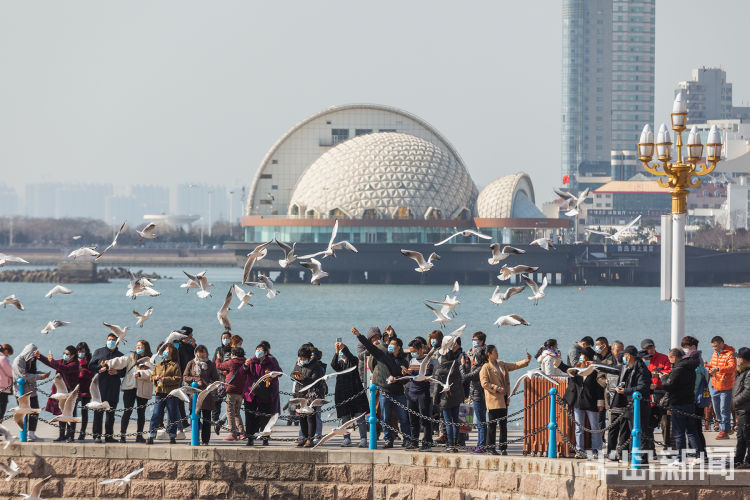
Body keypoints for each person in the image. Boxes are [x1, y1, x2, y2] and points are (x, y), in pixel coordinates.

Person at [352, 327, 411, 449]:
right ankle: (388, 440)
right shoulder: (382, 354)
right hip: (385, 391)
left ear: (398, 347)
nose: (389, 345)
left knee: (403, 418)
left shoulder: (403, 359)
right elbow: (369, 346)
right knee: (386, 418)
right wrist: (359, 335)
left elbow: (406, 378)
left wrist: (402, 375)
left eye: (393, 344)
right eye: (389, 343)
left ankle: (407, 440)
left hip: (399, 393)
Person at [479, 345, 531, 455]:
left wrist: (526, 361)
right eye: (495, 351)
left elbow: (515, 365)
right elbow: (484, 384)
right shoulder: (485, 367)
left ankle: (503, 448)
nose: (497, 353)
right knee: (492, 425)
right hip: (493, 399)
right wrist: (497, 388)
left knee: (503, 425)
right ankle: (490, 448)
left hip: (504, 399)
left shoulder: (501, 364)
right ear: (489, 354)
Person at [659, 348, 704, 463]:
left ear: (674, 357)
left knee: (678, 433)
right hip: (689, 403)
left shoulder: (678, 369)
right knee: (692, 431)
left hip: (678, 404)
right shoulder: (691, 368)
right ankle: (700, 455)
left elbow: (669, 386)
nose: (669, 361)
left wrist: (663, 378)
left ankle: (680, 458)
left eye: (670, 358)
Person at [104, 340, 153, 443]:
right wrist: (109, 362)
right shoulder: (131, 355)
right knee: (127, 411)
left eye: (140, 346)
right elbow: (121, 361)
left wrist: (140, 373)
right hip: (130, 386)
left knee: (141, 412)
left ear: (146, 347)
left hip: (143, 387)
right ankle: (123, 436)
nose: (138, 348)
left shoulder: (150, 359)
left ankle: (139, 436)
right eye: (137, 346)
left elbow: (151, 372)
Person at [612, 346, 652, 463]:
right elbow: (614, 369)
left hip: (640, 405)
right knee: (630, 432)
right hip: (629, 405)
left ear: (628, 356)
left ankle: (642, 458)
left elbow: (643, 387)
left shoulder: (641, 369)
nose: (624, 358)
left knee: (640, 432)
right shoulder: (629, 368)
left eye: (625, 356)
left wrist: (626, 391)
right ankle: (631, 455)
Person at [564, 347, 604, 458]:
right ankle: (579, 450)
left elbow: (599, 387)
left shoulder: (595, 370)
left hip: (592, 402)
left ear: (587, 357)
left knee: (594, 427)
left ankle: (597, 449)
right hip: (579, 402)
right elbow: (566, 369)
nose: (580, 356)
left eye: (582, 355)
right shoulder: (577, 369)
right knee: (578, 428)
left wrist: (600, 402)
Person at [37, 345, 79, 442]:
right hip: (60, 392)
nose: (65, 355)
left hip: (70, 394)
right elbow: (51, 363)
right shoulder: (61, 362)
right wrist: (40, 356)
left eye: (67, 354)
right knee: (60, 414)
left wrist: (52, 361)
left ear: (73, 355)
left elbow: (64, 368)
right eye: (64, 353)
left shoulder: (75, 364)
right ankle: (61, 435)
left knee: (70, 415)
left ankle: (70, 436)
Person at [331, 339, 369, 448]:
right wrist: (337, 352)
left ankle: (363, 439)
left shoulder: (354, 361)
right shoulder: (339, 364)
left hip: (356, 393)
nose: (343, 354)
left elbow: (352, 358)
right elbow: (333, 364)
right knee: (345, 418)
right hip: (342, 394)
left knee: (359, 417)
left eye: (344, 352)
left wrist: (344, 348)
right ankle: (347, 439)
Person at [243, 343, 282, 446]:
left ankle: (265, 438)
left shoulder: (271, 361)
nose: (258, 352)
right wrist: (245, 366)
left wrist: (272, 375)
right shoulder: (251, 361)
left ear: (265, 353)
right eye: (257, 349)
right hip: (251, 393)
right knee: (249, 416)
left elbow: (279, 373)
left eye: (261, 350)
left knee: (265, 416)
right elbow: (243, 373)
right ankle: (250, 438)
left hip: (265, 393)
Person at [90, 333, 125, 443]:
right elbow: (90, 365)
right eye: (109, 339)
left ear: (117, 342)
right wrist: (99, 368)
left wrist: (117, 372)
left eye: (113, 340)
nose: (111, 341)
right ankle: (97, 435)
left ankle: (109, 436)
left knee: (111, 414)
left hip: (114, 387)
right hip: (100, 387)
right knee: (98, 413)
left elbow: (124, 371)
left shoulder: (121, 355)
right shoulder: (99, 352)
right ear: (106, 340)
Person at [183, 344, 220, 446]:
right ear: (196, 353)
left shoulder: (210, 364)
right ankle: (194, 439)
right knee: (194, 418)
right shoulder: (191, 363)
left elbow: (216, 378)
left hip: (206, 394)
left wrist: (210, 385)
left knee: (207, 419)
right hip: (194, 394)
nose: (202, 354)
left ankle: (205, 440)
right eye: (199, 352)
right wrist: (195, 379)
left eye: (204, 352)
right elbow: (185, 377)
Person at [12, 343, 50, 441]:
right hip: (21, 392)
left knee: (35, 411)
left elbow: (33, 373)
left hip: (32, 391)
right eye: (33, 355)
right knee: (24, 413)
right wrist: (40, 377)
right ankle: (24, 434)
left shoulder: (31, 361)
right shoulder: (18, 361)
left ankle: (32, 433)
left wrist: (43, 374)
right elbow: (24, 376)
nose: (34, 357)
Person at [291, 345, 326, 448]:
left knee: (311, 417)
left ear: (308, 357)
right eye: (300, 358)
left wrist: (303, 378)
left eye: (303, 358)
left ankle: (310, 439)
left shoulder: (316, 366)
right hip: (300, 393)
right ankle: (304, 438)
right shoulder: (298, 364)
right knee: (302, 417)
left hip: (311, 394)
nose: (301, 360)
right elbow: (292, 374)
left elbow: (316, 381)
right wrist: (296, 376)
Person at [147, 344, 182, 444]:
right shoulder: (158, 365)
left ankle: (172, 435)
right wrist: (155, 378)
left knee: (172, 414)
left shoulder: (175, 365)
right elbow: (151, 377)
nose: (165, 352)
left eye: (167, 351)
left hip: (171, 394)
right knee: (156, 413)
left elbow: (177, 379)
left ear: (172, 353)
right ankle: (151, 435)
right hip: (159, 393)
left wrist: (164, 380)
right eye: (164, 351)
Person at [407, 338, 437, 451]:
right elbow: (411, 375)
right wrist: (406, 372)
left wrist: (413, 372)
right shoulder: (412, 361)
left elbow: (427, 375)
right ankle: (414, 441)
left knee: (425, 420)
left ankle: (427, 442)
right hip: (412, 393)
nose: (412, 353)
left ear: (420, 349)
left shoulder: (428, 361)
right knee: (413, 420)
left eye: (414, 351)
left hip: (423, 393)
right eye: (410, 351)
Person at [641, 338, 671, 449]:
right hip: (648, 395)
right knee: (648, 424)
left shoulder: (664, 358)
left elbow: (669, 372)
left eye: (651, 347)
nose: (650, 350)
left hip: (662, 393)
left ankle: (667, 446)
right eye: (647, 348)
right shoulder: (641, 361)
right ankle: (650, 448)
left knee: (665, 423)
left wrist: (658, 375)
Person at [435, 340, 465, 452]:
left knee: (448, 422)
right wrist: (462, 396)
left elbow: (437, 387)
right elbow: (461, 383)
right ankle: (456, 443)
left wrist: (436, 400)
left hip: (445, 398)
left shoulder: (440, 369)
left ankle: (450, 444)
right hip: (456, 398)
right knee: (456, 421)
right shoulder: (456, 367)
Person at [681, 336, 709, 453]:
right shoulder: (700, 363)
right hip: (699, 399)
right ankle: (700, 452)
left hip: (692, 400)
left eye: (686, 348)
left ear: (692, 347)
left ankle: (698, 453)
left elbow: (693, 384)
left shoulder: (695, 365)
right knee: (696, 428)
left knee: (693, 429)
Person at [707, 336, 737, 439]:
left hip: (727, 385)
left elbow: (732, 367)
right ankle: (725, 428)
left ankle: (724, 430)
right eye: (713, 347)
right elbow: (712, 364)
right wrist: (708, 367)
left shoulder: (731, 353)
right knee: (716, 409)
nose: (714, 348)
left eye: (716, 346)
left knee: (724, 409)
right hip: (715, 384)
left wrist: (718, 369)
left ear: (722, 343)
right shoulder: (715, 353)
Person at [216, 346, 247, 441]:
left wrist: (218, 358)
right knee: (237, 413)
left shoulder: (232, 362)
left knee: (230, 412)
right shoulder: (245, 362)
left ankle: (233, 434)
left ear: (233, 354)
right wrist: (228, 373)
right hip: (241, 392)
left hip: (231, 391)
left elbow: (219, 366)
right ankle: (242, 433)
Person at [462, 342, 488, 453]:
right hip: (476, 395)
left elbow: (466, 377)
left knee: (480, 422)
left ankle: (481, 445)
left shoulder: (480, 368)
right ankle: (479, 444)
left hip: (478, 396)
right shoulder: (479, 366)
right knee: (478, 421)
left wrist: (462, 365)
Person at [212, 330, 233, 435]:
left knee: (230, 401)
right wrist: (220, 371)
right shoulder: (218, 350)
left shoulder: (234, 350)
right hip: (220, 379)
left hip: (230, 379)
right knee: (217, 401)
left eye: (227, 337)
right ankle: (215, 420)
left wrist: (228, 371)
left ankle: (229, 423)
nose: (225, 340)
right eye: (223, 338)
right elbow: (214, 363)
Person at [175, 326, 196, 431]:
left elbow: (193, 359)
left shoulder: (187, 346)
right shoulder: (179, 346)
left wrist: (194, 346)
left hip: (187, 376)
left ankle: (192, 421)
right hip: (182, 376)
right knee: (181, 400)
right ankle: (183, 422)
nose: (192, 336)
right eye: (191, 334)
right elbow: (187, 360)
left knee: (192, 398)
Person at [732, 347, 750, 469]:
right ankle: (738, 460)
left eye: (738, 357)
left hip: (746, 409)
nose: (737, 359)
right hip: (742, 409)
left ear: (743, 359)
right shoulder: (742, 371)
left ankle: (748, 461)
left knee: (747, 436)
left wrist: (735, 401)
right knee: (741, 436)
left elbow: (748, 391)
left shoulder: (748, 373)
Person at [75, 342, 94, 441]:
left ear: (86, 351)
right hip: (75, 389)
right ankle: (70, 432)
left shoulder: (89, 360)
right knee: (72, 411)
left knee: (84, 412)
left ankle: (82, 432)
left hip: (86, 389)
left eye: (82, 351)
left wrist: (82, 371)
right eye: (78, 351)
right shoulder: (74, 360)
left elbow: (91, 373)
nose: (80, 353)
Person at [0, 345, 13, 422]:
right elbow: (10, 373)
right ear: (6, 351)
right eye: (8, 354)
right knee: (1, 409)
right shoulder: (3, 359)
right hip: (3, 387)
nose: (7, 356)